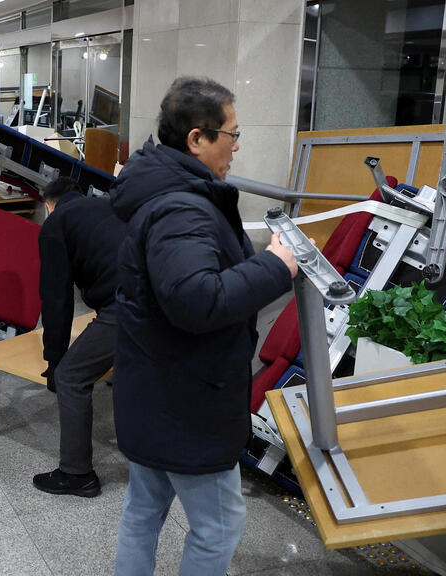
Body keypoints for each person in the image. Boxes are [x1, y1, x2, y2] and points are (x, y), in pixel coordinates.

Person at [109, 76, 298, 575]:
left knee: (144, 510)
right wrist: (278, 266)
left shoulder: (167, 190)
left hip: (157, 390)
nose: (238, 145)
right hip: (186, 403)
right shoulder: (180, 206)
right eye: (232, 134)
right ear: (197, 138)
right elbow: (196, 300)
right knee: (218, 527)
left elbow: (188, 280)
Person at [32, 178, 125, 498]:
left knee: (72, 377)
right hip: (167, 297)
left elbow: (57, 299)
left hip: (128, 305)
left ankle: (76, 473)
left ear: (48, 205)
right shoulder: (109, 204)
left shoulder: (56, 223)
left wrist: (55, 361)